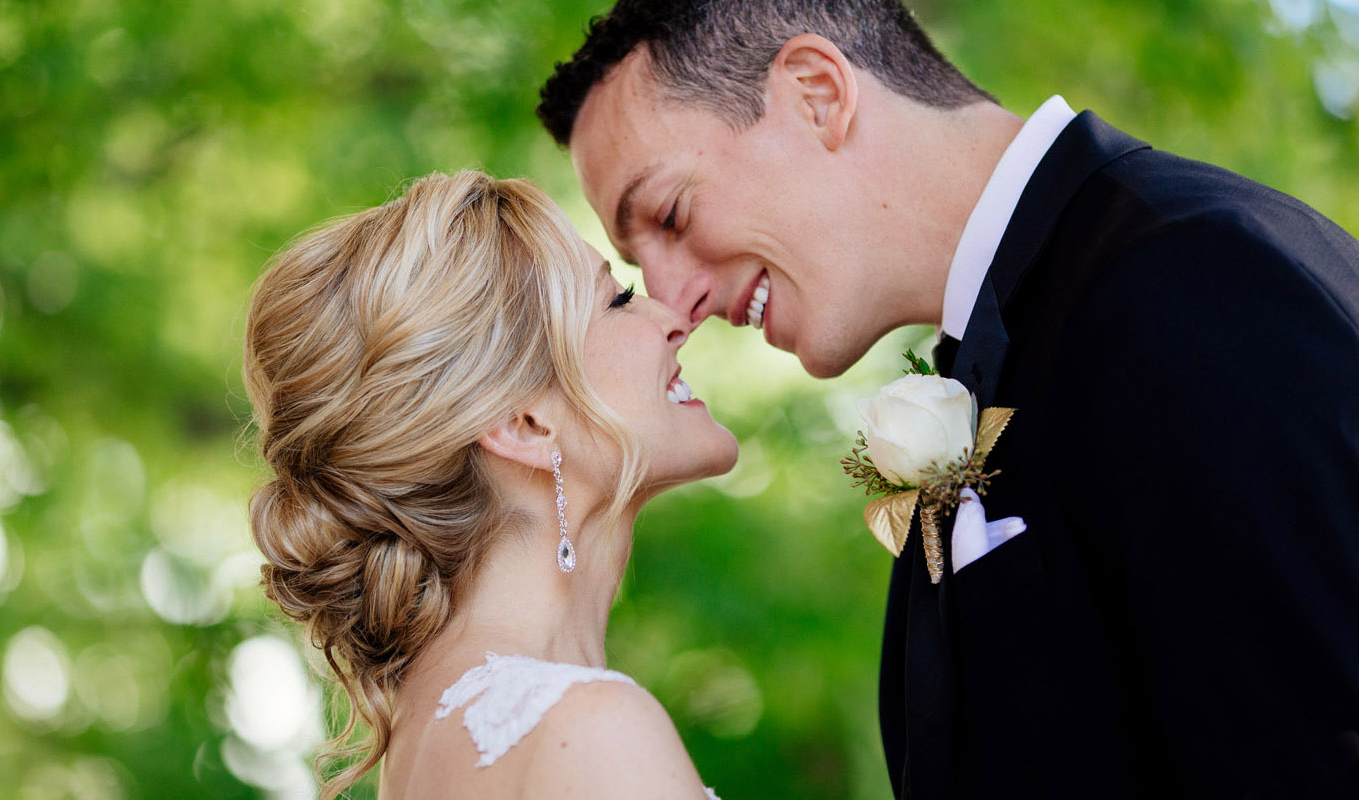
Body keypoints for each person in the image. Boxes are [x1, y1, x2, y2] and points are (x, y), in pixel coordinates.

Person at [537, 1, 1359, 798]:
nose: (673, 300)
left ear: (817, 93)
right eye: (636, 264)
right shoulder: (1015, 345)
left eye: (671, 214)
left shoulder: (1195, 287)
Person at [242, 171, 736, 799]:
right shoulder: (587, 731)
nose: (671, 317)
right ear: (523, 423)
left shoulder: (428, 738)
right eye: (617, 299)